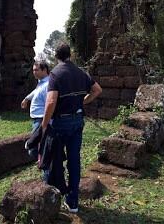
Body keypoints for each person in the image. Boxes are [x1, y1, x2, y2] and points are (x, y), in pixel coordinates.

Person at [41, 43, 102, 213]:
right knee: (74, 161)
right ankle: (73, 202)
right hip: (77, 121)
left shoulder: (55, 74)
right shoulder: (82, 73)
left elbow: (51, 101)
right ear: (71, 55)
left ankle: (53, 199)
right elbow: (97, 90)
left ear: (56, 56)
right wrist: (84, 101)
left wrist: (44, 125)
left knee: (55, 160)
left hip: (60, 124)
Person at [21, 60, 50, 159]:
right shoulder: (41, 83)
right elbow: (36, 92)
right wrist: (26, 99)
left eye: (36, 70)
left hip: (41, 119)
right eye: (33, 70)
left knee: (33, 149)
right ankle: (42, 162)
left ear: (44, 70)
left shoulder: (47, 85)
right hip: (37, 119)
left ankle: (44, 162)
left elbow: (49, 104)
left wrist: (45, 122)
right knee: (39, 145)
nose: (34, 72)